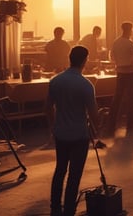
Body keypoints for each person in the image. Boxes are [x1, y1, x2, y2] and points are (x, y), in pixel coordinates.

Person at [45, 46, 100, 216]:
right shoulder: (86, 85)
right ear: (85, 60)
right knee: (74, 176)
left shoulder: (55, 81)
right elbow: (93, 114)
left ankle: (55, 208)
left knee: (60, 170)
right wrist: (98, 125)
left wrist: (53, 127)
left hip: (61, 134)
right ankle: (69, 210)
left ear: (70, 58)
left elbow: (47, 108)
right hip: (79, 136)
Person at [106, 21, 133, 137]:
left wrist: (119, 63)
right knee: (131, 99)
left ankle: (111, 124)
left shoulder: (116, 42)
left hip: (120, 72)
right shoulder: (131, 44)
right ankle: (130, 125)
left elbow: (111, 57)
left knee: (117, 98)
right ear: (130, 30)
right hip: (130, 73)